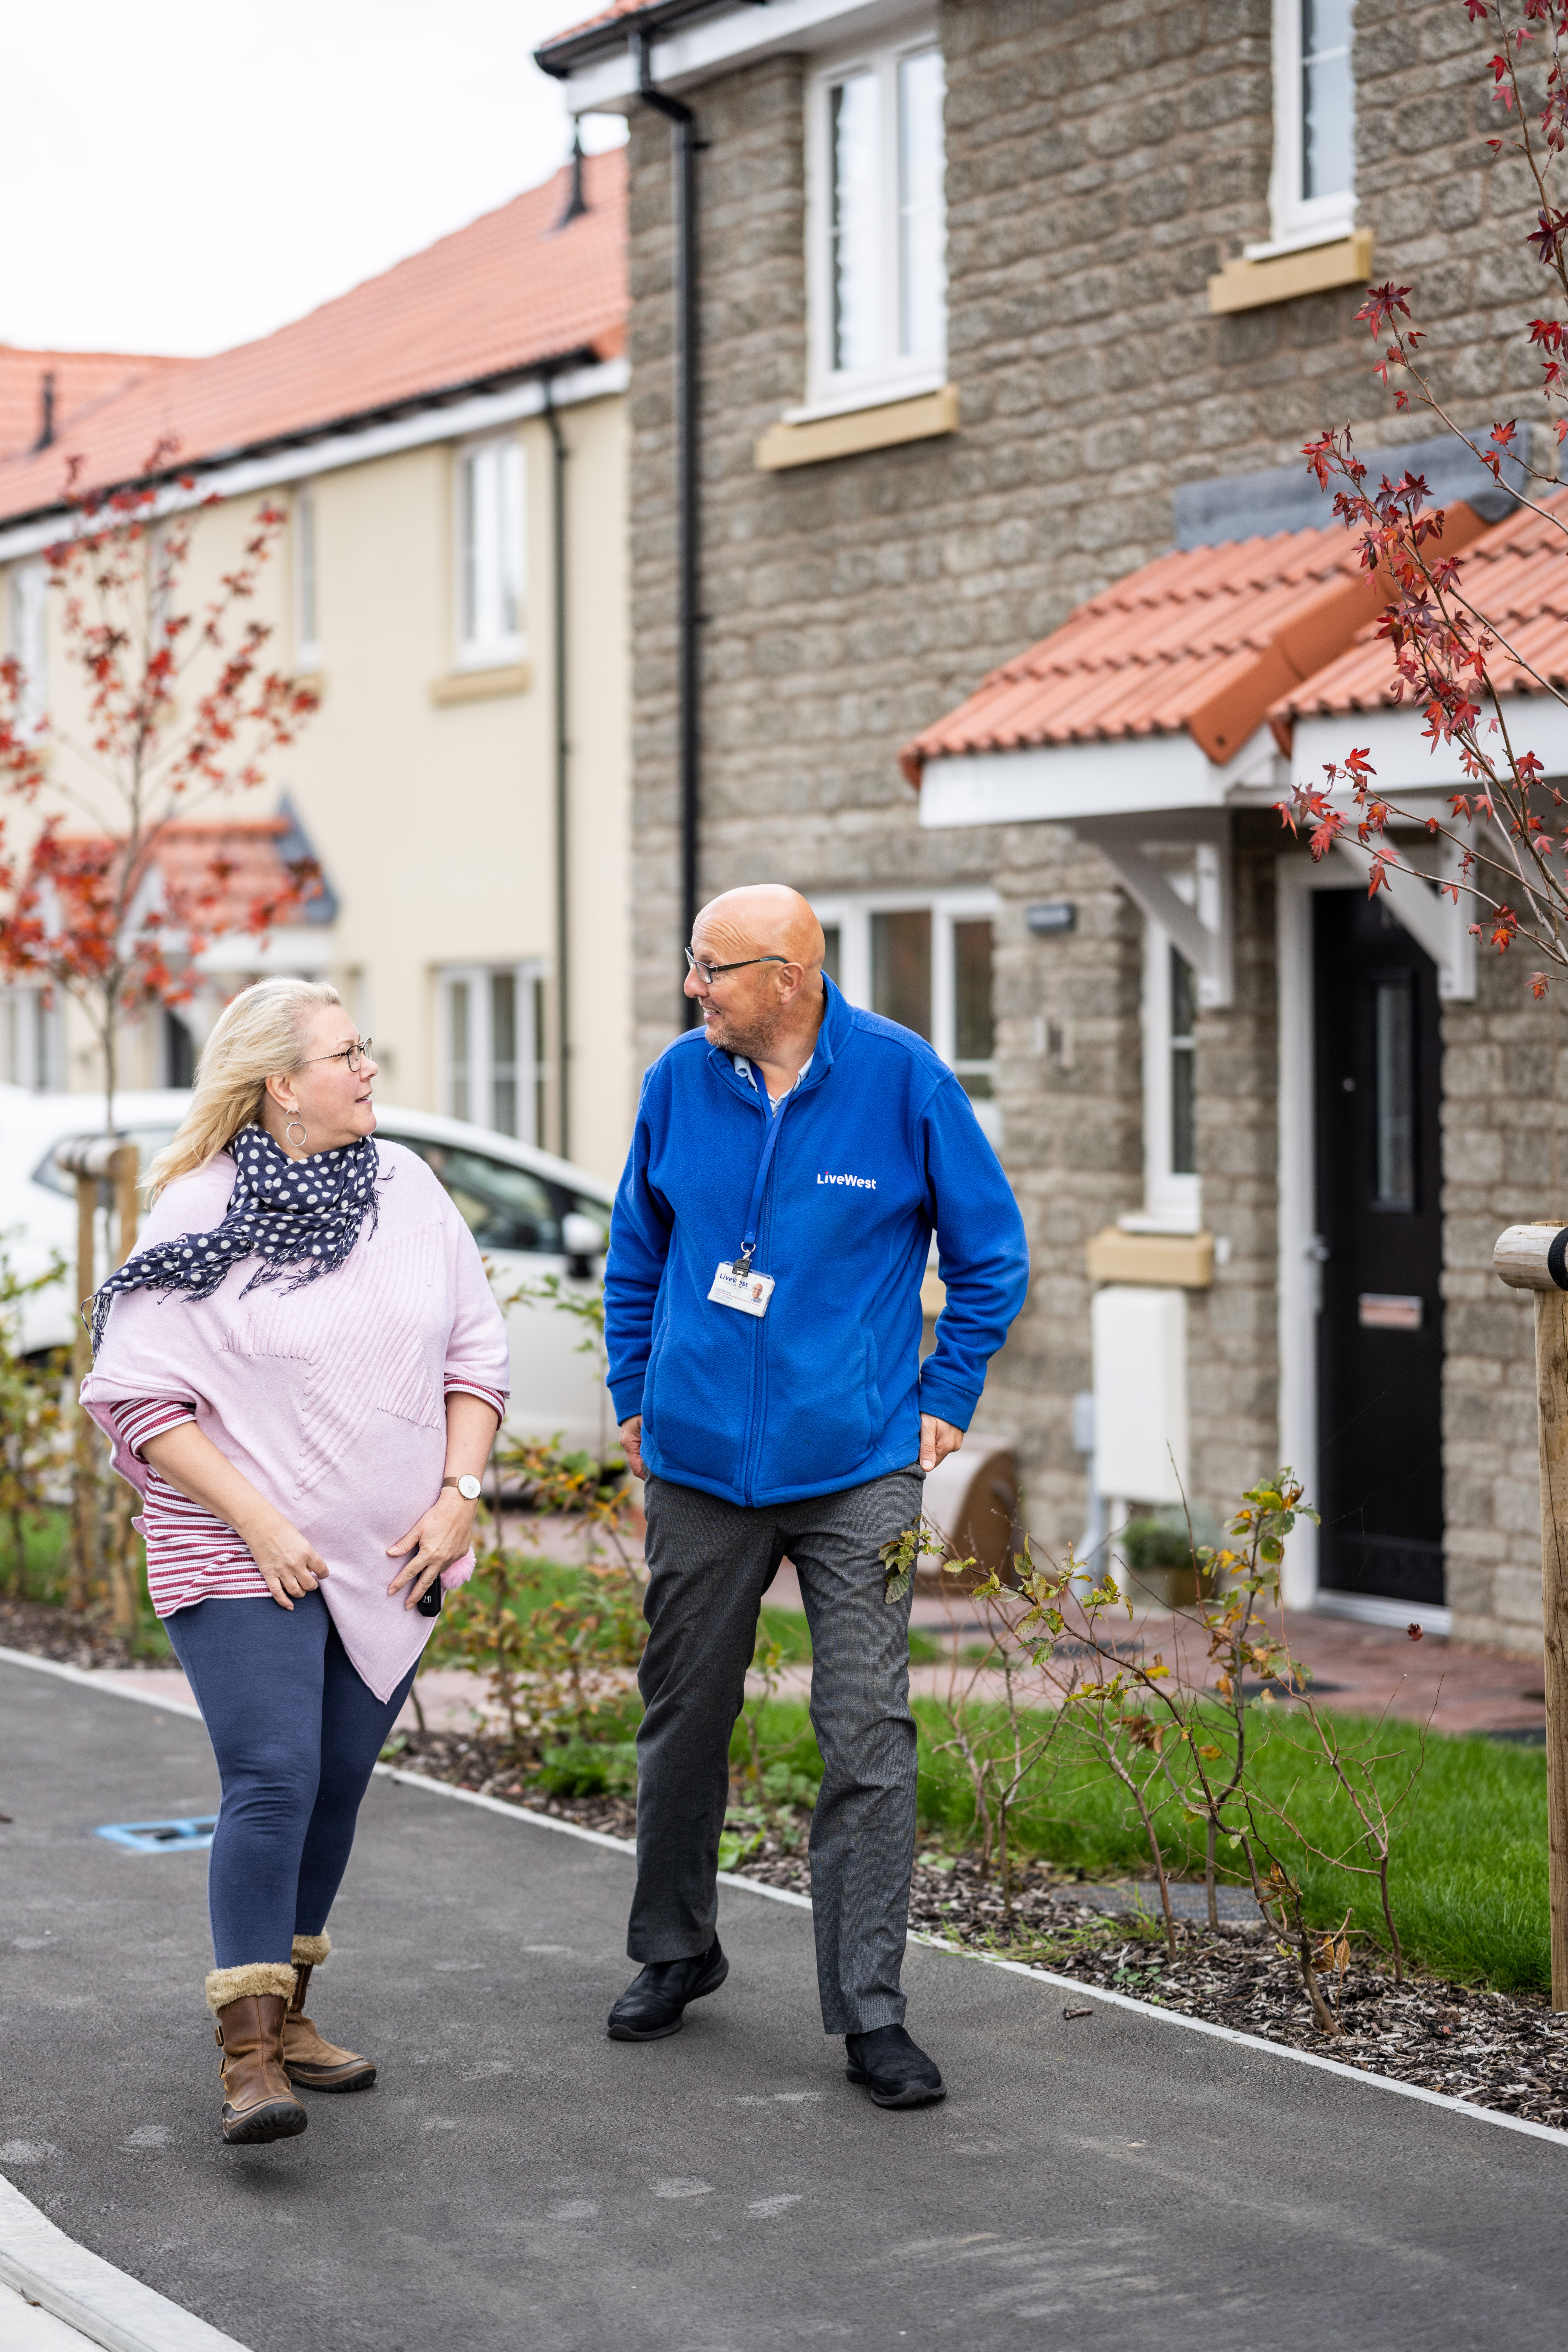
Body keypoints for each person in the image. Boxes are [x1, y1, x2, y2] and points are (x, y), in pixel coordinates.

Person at [604, 884, 1029, 2107]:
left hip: (855, 1466)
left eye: (715, 969)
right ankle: (675, 1948)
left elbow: (989, 1252)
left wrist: (943, 1392)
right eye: (693, 965)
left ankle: (870, 2011)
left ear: (791, 975)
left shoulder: (902, 1081)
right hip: (693, 1466)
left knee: (866, 1733)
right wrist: (635, 1388)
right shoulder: (678, 1083)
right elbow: (637, 1249)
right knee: (684, 1717)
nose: (695, 988)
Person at [81, 978, 509, 2147]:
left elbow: (475, 1354)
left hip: (391, 1556)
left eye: (363, 1050)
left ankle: (295, 2008)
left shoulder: (410, 1193)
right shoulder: (197, 1209)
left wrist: (459, 1497)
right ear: (281, 1083)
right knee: (273, 1773)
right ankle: (250, 2053)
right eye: (345, 1054)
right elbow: (136, 1394)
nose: (368, 1069)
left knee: (332, 1783)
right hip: (239, 1551)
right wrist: (261, 1521)